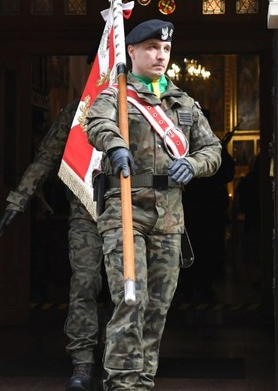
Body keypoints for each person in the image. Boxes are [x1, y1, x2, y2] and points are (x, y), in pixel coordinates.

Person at [85, 19, 222, 390]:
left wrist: (192, 164)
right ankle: (122, 385)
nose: (160, 55)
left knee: (157, 309)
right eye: (151, 48)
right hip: (126, 214)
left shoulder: (183, 102)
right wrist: (115, 146)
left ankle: (142, 382)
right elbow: (95, 124)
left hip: (169, 219)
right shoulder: (115, 95)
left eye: (164, 49)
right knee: (130, 302)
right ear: (132, 51)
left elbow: (213, 151)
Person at [0, 98, 103, 391]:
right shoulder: (76, 112)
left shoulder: (140, 103)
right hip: (86, 211)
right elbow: (47, 157)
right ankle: (83, 361)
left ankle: (124, 360)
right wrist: (19, 199)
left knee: (128, 289)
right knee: (84, 283)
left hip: (132, 216)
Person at [178, 109, 235, 301]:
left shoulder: (213, 148)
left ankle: (204, 286)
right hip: (189, 209)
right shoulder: (180, 146)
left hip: (210, 210)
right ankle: (187, 287)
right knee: (186, 249)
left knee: (209, 250)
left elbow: (228, 173)